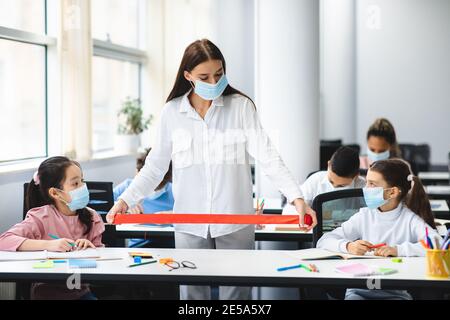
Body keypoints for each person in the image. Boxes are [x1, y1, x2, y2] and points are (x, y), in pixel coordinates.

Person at [106, 39, 316, 300]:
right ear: (188, 76)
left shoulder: (240, 106)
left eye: (218, 74)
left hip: (235, 220)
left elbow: (268, 156)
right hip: (189, 223)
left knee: (236, 297)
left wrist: (297, 198)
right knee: (193, 296)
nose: (214, 81)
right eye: (204, 76)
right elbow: (155, 167)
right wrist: (125, 200)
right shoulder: (172, 112)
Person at [317, 159, 441, 300]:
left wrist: (398, 250)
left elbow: (438, 245)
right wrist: (348, 246)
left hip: (395, 294)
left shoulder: (409, 219)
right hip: (358, 292)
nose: (366, 189)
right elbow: (324, 240)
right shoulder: (365, 215)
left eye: (372, 184)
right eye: (367, 182)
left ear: (392, 192)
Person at [0, 156, 105, 300]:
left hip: (81, 294)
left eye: (82, 181)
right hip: (46, 294)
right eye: (75, 183)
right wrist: (49, 245)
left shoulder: (92, 218)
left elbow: (103, 261)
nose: (82, 187)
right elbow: (4, 240)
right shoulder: (41, 217)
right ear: (55, 193)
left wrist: (92, 249)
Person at [114, 148, 174, 247]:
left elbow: (192, 215)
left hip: (168, 246)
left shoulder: (174, 191)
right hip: (137, 246)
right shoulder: (127, 186)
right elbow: (101, 207)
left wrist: (173, 215)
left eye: (158, 186)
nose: (151, 190)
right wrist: (124, 205)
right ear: (137, 172)